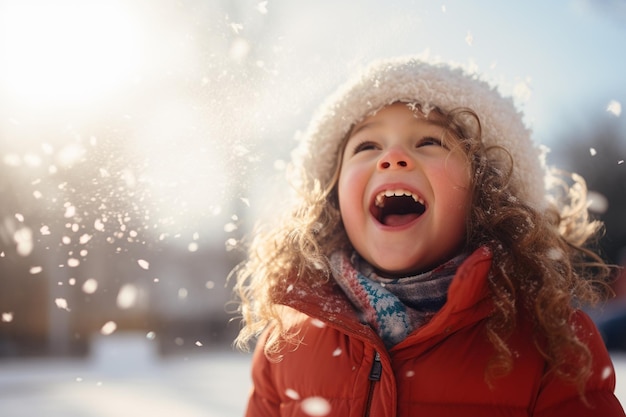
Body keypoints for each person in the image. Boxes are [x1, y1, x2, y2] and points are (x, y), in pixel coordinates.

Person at [233, 56, 626, 416]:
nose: (393, 157)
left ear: (484, 192)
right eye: (367, 145)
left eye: (429, 142)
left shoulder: (551, 343)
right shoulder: (287, 344)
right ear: (332, 197)